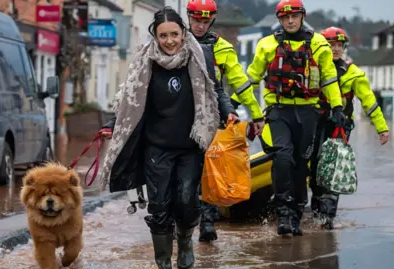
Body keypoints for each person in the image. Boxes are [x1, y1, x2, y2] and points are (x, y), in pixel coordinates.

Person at [98, 7, 238, 269]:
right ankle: (162, 262)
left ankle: (185, 246)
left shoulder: (201, 56)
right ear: (155, 36)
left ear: (183, 33)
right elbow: (128, 100)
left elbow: (215, 89)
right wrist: (111, 124)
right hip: (157, 147)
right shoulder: (144, 61)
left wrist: (228, 111)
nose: (170, 40)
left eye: (174, 34)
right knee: (160, 206)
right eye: (163, 36)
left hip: (190, 146)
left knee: (186, 201)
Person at [245, 0, 345, 236]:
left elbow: (329, 78)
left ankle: (297, 213)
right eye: (285, 17)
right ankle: (283, 212)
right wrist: (235, 104)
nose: (290, 21)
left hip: (309, 111)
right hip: (279, 111)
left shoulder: (319, 43)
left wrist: (338, 107)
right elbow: (251, 77)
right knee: (283, 156)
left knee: (302, 164)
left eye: (294, 16)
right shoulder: (267, 45)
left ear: (302, 16)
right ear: (279, 20)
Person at [186, 0, 265, 243]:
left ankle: (207, 222)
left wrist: (256, 114)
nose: (200, 25)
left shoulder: (223, 48)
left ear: (212, 20)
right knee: (183, 171)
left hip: (211, 117)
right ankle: (183, 221)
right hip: (179, 117)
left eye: (205, 20)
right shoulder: (176, 41)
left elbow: (240, 84)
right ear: (188, 17)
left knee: (210, 170)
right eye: (196, 19)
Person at [309, 26, 389, 230]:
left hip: (339, 126)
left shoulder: (354, 74)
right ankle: (315, 210)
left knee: (333, 170)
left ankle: (326, 218)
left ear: (344, 48)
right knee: (314, 166)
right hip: (314, 122)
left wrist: (381, 128)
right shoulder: (313, 68)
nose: (335, 49)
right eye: (331, 45)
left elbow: (369, 102)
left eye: (339, 46)